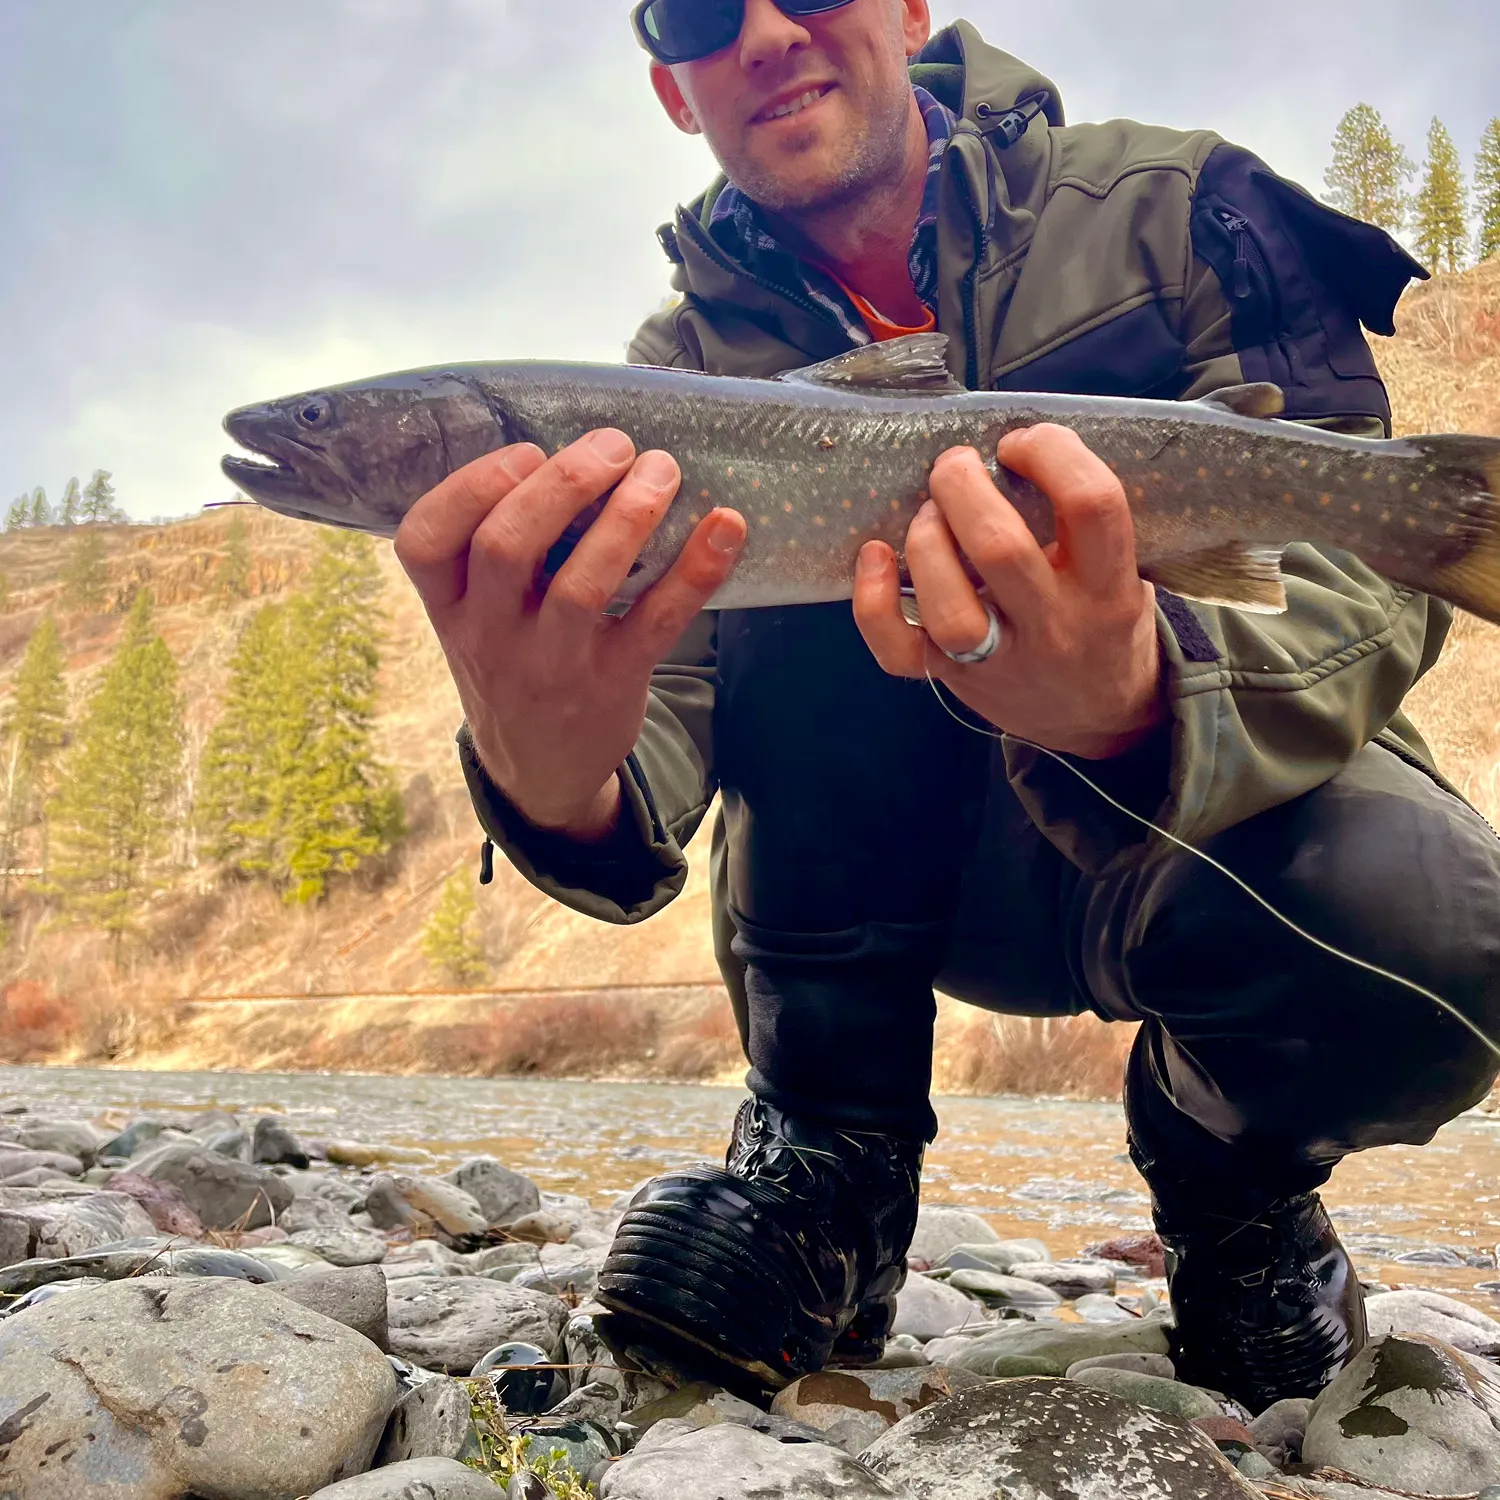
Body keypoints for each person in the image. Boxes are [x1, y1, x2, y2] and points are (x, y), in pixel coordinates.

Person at [394, 0, 1500, 1412]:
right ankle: (831, 1164)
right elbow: (650, 754)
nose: (769, 33)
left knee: (1442, 939)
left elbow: (1365, 554)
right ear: (674, 89)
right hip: (879, 898)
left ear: (909, 9)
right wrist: (543, 767)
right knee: (796, 562)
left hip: (1206, 855)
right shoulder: (667, 386)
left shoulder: (1185, 209)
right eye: (700, 12)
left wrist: (1139, 691)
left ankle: (1235, 1190)